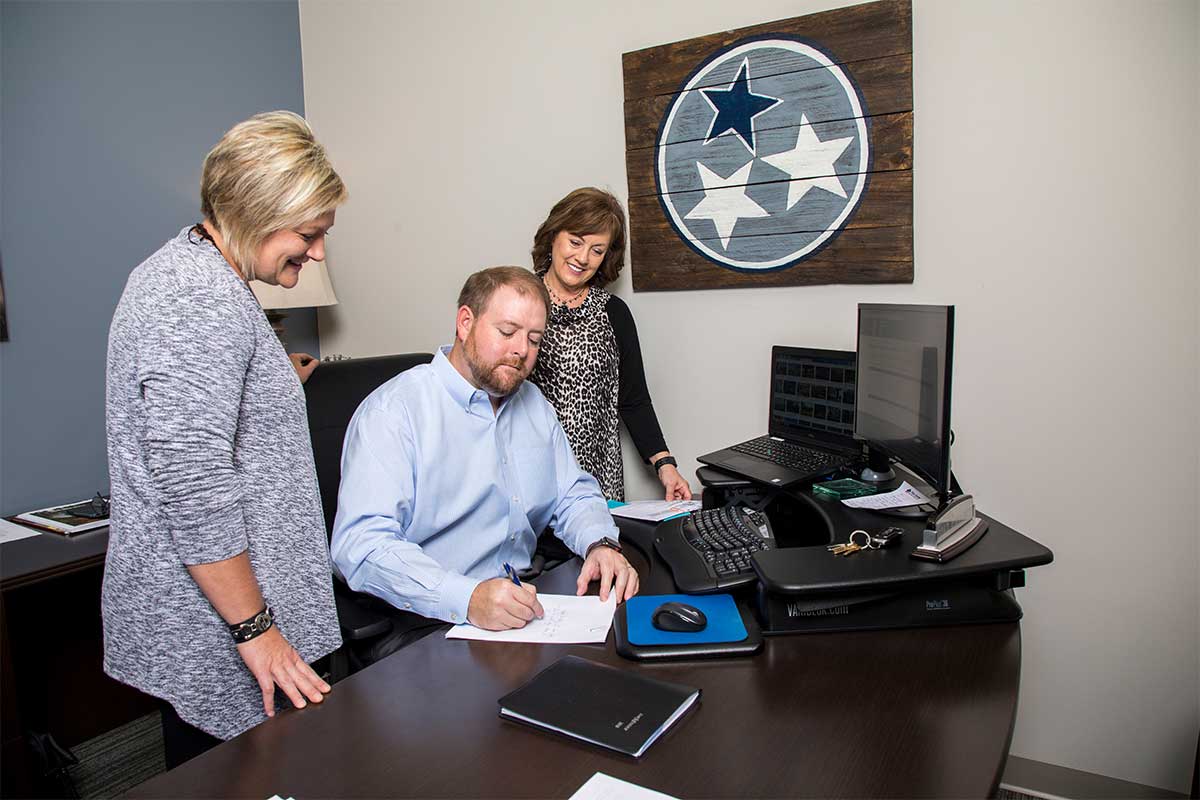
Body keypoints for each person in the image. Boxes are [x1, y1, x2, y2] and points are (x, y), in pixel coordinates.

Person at [103, 111, 347, 767]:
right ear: (256, 215)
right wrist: (256, 630)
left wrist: (273, 383)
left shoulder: (212, 284)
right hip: (224, 630)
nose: (318, 252)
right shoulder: (197, 295)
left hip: (244, 618)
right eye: (308, 234)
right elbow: (191, 483)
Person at [330, 267, 639, 631]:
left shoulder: (533, 403)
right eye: (507, 332)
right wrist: (467, 598)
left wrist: (600, 544)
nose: (522, 350)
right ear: (465, 323)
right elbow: (361, 546)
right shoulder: (394, 413)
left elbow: (572, 493)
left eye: (535, 339)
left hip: (525, 599)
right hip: (430, 618)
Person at [528, 187, 691, 502]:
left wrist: (666, 465)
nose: (582, 258)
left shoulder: (614, 313)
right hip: (534, 483)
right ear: (553, 237)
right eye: (575, 242)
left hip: (598, 483)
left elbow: (634, 400)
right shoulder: (521, 302)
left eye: (596, 249)